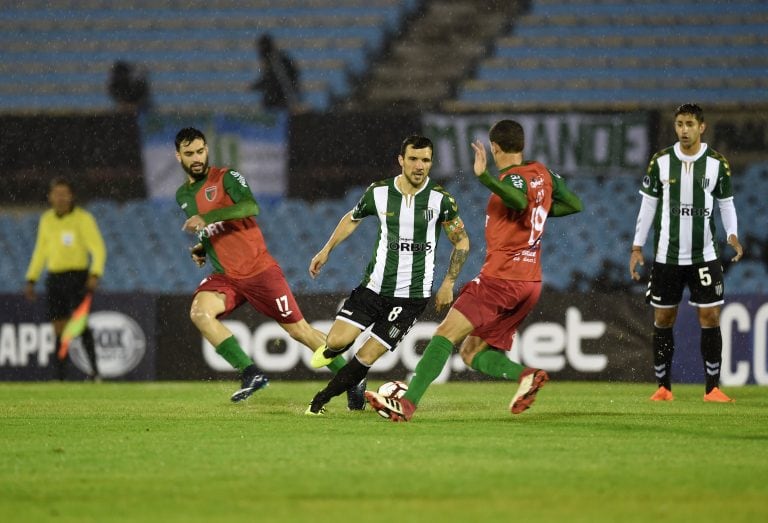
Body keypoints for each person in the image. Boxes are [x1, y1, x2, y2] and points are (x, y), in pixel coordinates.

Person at [365, 120, 583, 422]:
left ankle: (407, 404)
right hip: (530, 282)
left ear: (494, 148)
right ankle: (527, 375)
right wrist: (540, 209)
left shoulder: (514, 177)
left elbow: (518, 199)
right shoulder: (542, 173)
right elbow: (574, 204)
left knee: (444, 334)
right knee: (471, 352)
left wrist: (485, 178)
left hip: (500, 278)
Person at [174, 127, 363, 406]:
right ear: (178, 156)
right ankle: (250, 373)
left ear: (207, 150)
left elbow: (249, 208)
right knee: (200, 312)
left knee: (300, 332)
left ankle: (351, 377)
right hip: (226, 276)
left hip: (258, 271)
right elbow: (211, 227)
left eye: (200, 151)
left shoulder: (226, 178)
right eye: (189, 153)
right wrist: (203, 246)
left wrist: (206, 216)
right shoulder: (183, 196)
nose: (196, 157)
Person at [304, 135, 470, 416]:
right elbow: (352, 218)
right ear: (401, 160)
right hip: (373, 288)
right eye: (414, 159)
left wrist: (449, 282)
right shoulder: (378, 193)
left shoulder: (441, 200)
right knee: (335, 341)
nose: (420, 166)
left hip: (411, 299)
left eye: (426, 160)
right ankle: (339, 358)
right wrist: (326, 249)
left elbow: (462, 241)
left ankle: (319, 401)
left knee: (366, 356)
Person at [629, 103, 743, 403]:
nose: (683, 129)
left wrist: (732, 233)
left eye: (689, 124)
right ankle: (664, 387)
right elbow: (648, 205)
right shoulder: (661, 161)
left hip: (704, 255)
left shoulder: (717, 164)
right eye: (679, 123)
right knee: (664, 318)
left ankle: (712, 388)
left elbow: (726, 203)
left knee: (710, 316)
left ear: (701, 127)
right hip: (667, 256)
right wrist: (637, 246)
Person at [24, 177, 106, 381]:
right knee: (58, 327)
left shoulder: (83, 219)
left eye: (64, 193)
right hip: (55, 278)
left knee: (80, 324)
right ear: (50, 197)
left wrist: (95, 273)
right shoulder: (46, 220)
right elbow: (40, 252)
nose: (60, 198)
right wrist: (31, 279)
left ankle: (95, 372)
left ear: (71, 196)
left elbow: (98, 248)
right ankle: (60, 376)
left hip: (77, 278)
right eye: (56, 194)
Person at [249, 34, 300, 112]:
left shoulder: (275, 61)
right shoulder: (279, 59)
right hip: (281, 102)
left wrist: (257, 86)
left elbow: (275, 80)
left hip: (280, 102)